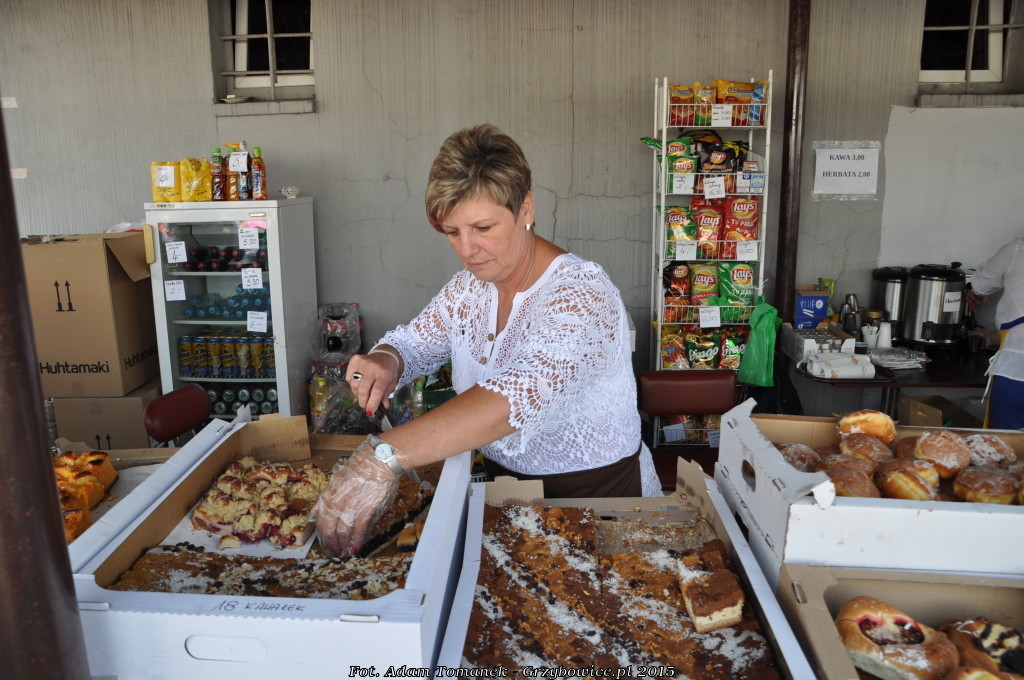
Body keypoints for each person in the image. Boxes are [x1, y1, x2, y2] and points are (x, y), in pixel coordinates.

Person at [314, 123, 661, 557]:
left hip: (602, 503)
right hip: (507, 497)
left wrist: (384, 456)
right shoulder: (469, 288)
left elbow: (515, 396)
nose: (467, 249)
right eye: (453, 232)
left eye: (482, 227)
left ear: (526, 208)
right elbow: (415, 342)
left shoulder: (581, 294)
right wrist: (386, 359)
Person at [966, 236, 1024, 430]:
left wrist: (978, 294)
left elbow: (980, 285)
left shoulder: (1018, 249)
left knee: (1006, 444)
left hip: (1017, 375)